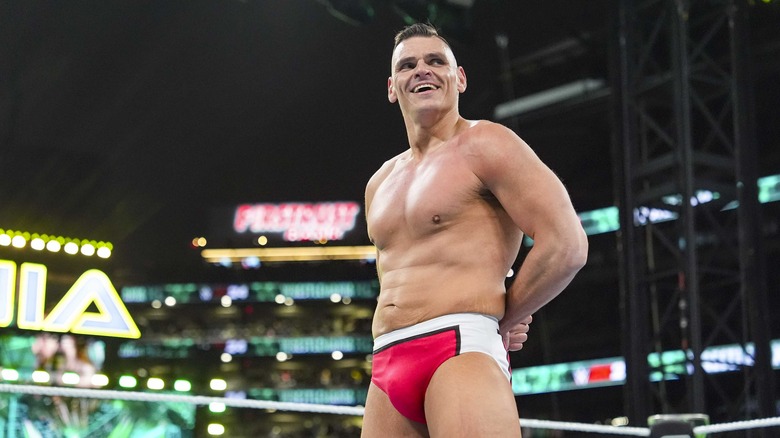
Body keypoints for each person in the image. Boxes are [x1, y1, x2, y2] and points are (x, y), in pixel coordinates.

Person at [362, 23, 588, 437]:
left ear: (459, 77)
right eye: (408, 65)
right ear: (392, 87)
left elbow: (567, 245)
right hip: (387, 362)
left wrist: (506, 313)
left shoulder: (487, 143)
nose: (422, 71)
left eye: (436, 61)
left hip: (459, 348)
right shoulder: (379, 181)